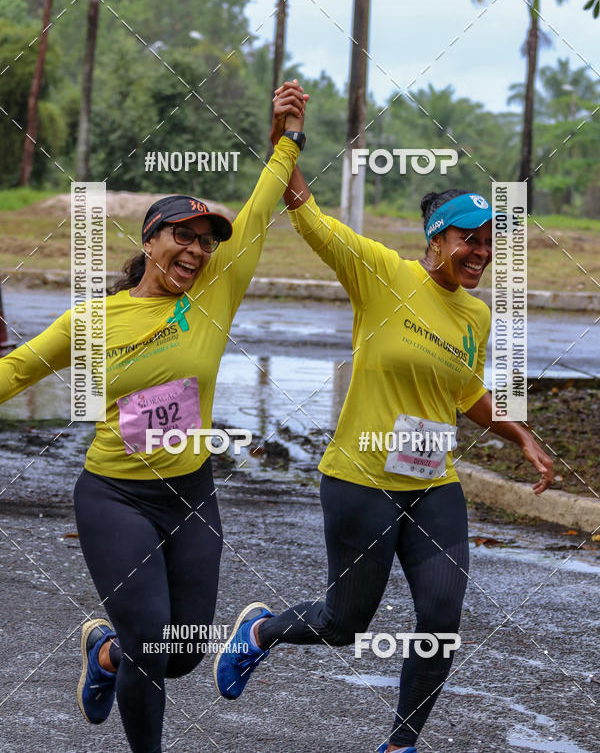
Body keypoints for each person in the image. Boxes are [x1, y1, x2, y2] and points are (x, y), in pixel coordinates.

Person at [214, 81, 554, 753]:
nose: (482, 253)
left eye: (491, 243)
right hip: (361, 479)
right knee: (345, 623)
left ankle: (400, 746)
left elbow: (462, 393)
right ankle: (261, 631)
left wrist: (519, 433)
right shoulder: (381, 274)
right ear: (437, 238)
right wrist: (286, 133)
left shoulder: (477, 316)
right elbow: (303, 209)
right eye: (470, 240)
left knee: (440, 617)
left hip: (433, 486)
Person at [0, 84, 307, 753]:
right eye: (182, 236)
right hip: (115, 494)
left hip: (191, 494)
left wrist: (286, 139)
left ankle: (104, 654)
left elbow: (257, 213)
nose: (196, 251)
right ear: (151, 238)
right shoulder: (94, 321)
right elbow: (17, 371)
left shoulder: (213, 296)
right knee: (150, 643)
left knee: (185, 650)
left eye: (205, 241)